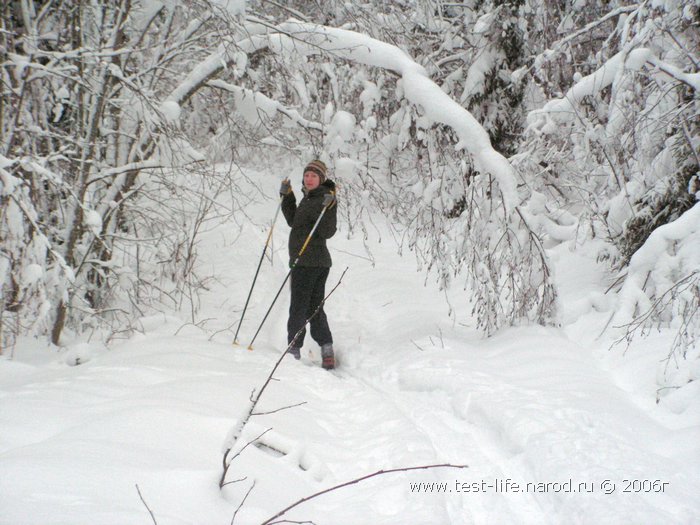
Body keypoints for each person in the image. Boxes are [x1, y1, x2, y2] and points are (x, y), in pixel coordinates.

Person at [280, 159, 338, 369]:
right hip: (313, 262)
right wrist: (287, 196)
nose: (309, 179)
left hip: (309, 262)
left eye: (314, 176)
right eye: (307, 175)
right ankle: (327, 348)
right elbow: (294, 222)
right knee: (314, 307)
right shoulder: (310, 198)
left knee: (299, 306)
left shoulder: (324, 199)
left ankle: (293, 349)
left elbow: (328, 232)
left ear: (321, 179)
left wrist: (329, 208)